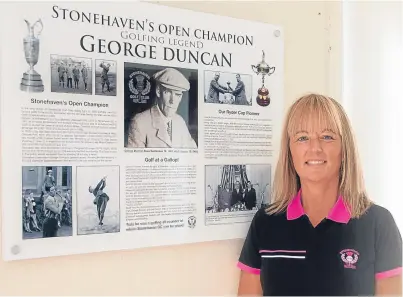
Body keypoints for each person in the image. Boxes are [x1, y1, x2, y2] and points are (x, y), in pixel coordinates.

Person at [237, 93, 402, 296]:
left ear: (345, 148)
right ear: (290, 151)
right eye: (302, 138)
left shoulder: (378, 223)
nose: (314, 148)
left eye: (327, 137)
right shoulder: (265, 222)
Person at [126, 67, 197, 148]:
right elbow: (134, 159)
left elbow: (192, 152)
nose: (172, 101)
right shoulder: (140, 122)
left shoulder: (180, 122)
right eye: (168, 93)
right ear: (158, 92)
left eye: (177, 95)